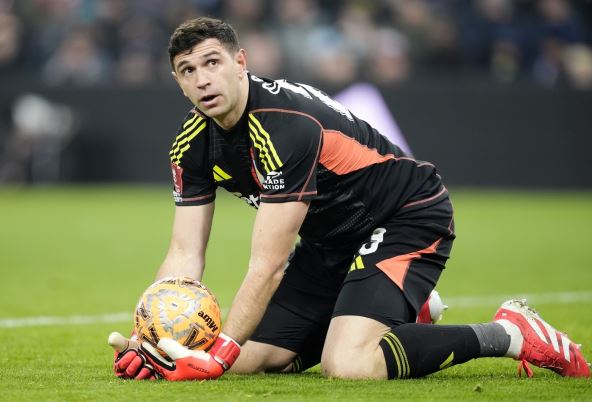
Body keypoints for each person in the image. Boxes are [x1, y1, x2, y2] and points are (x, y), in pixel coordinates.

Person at [108, 17, 590, 381]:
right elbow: (184, 253)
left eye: (212, 63)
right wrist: (155, 338)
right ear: (178, 82)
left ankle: (510, 333)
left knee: (349, 364)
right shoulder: (191, 143)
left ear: (240, 62)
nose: (202, 79)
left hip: (404, 215)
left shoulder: (285, 126)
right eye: (187, 70)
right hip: (330, 243)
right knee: (250, 361)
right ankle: (396, 310)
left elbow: (268, 265)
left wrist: (220, 352)